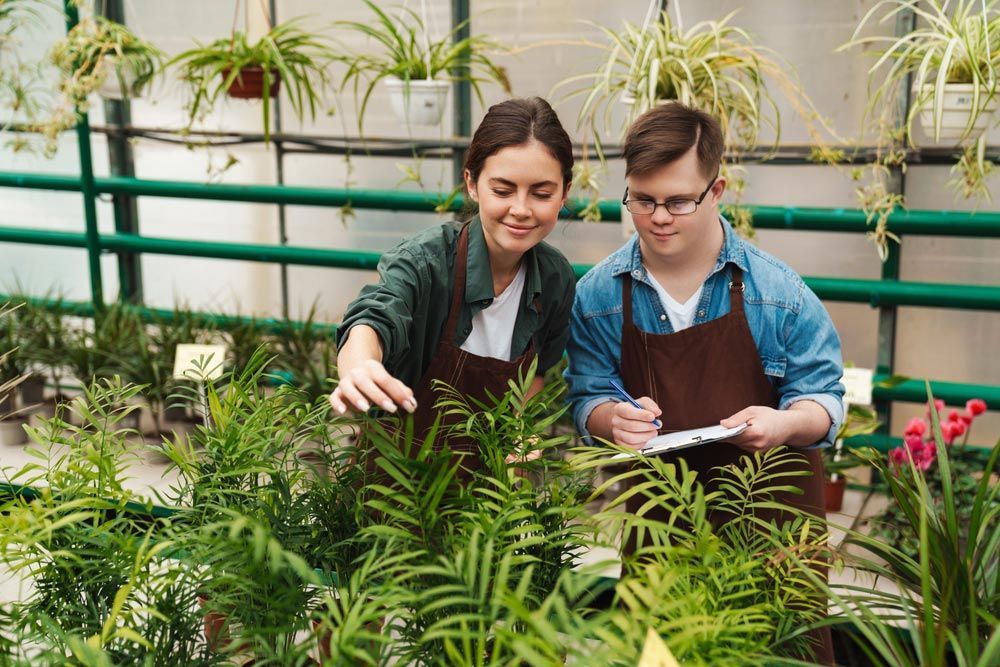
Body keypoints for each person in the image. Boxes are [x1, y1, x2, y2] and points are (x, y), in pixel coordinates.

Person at [564, 103, 843, 663]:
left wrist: (785, 422)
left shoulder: (777, 293)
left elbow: (826, 400)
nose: (658, 216)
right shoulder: (598, 296)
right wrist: (607, 418)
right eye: (642, 199)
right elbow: (586, 392)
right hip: (662, 528)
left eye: (677, 201)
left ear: (717, 189)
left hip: (772, 530)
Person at [329, 97, 576, 470]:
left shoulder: (555, 280)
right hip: (397, 488)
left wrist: (522, 430)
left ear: (564, 194)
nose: (521, 209)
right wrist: (360, 366)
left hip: (488, 497)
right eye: (503, 190)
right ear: (472, 184)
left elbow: (537, 372)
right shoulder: (426, 262)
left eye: (541, 194)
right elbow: (375, 314)